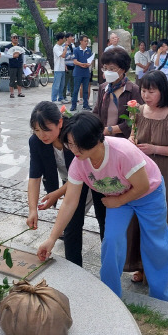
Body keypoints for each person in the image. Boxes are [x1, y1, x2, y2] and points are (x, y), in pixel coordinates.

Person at [37, 113, 168, 303]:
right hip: (116, 197)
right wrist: (51, 239)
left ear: (96, 139)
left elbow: (142, 186)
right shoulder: (79, 163)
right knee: (111, 241)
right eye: (70, 143)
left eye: (78, 144)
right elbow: (70, 202)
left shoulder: (122, 152)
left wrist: (119, 201)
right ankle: (110, 293)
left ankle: (164, 294)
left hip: (148, 194)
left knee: (155, 242)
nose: (74, 150)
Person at [125, 70, 168, 282]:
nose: (146, 95)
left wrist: (154, 148)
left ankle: (160, 272)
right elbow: (133, 134)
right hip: (142, 173)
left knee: (165, 222)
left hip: (166, 173)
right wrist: (132, 142)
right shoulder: (138, 111)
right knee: (140, 220)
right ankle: (141, 266)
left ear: (163, 91)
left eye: (151, 91)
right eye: (143, 90)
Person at [26, 102, 106, 266]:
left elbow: (81, 175)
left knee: (104, 219)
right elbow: (34, 176)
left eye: (46, 129)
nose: (42, 135)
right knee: (71, 225)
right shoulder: (36, 142)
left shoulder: (74, 136)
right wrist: (32, 209)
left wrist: (58, 193)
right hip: (70, 181)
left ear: (60, 123)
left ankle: (111, 263)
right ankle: (74, 269)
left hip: (95, 175)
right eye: (37, 130)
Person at [94, 47, 143, 138]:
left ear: (123, 69)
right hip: (103, 139)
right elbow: (96, 113)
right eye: (105, 68)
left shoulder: (133, 90)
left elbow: (136, 119)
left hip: (123, 140)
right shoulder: (103, 88)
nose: (108, 72)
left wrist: (110, 129)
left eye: (112, 69)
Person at [71, 35, 93, 111]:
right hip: (78, 73)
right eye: (85, 41)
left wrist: (88, 64)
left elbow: (90, 60)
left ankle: (85, 105)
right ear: (81, 41)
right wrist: (82, 64)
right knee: (76, 89)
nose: (86, 42)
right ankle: (73, 105)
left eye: (87, 41)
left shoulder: (89, 50)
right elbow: (74, 61)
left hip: (86, 73)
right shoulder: (76, 50)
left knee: (86, 89)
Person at [5, 33, 25, 98]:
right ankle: (12, 93)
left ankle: (19, 92)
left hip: (19, 65)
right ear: (11, 38)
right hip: (12, 65)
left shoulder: (21, 46)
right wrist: (13, 56)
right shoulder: (8, 46)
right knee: (12, 79)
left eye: (16, 38)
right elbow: (6, 55)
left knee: (20, 79)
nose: (15, 39)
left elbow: (23, 55)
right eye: (14, 38)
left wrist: (24, 63)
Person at [52, 32, 69, 103]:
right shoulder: (56, 47)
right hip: (57, 69)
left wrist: (65, 66)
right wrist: (66, 47)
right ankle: (54, 99)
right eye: (64, 39)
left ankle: (61, 98)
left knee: (62, 85)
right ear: (60, 39)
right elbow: (62, 55)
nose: (64, 40)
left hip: (62, 68)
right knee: (56, 85)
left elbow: (64, 58)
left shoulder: (61, 47)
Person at [63, 32, 75, 101]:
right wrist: (73, 56)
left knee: (72, 83)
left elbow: (75, 54)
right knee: (65, 83)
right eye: (71, 37)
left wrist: (73, 56)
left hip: (73, 66)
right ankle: (64, 97)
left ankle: (73, 96)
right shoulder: (64, 46)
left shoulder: (73, 45)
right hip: (67, 66)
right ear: (67, 38)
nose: (72, 38)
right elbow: (66, 56)